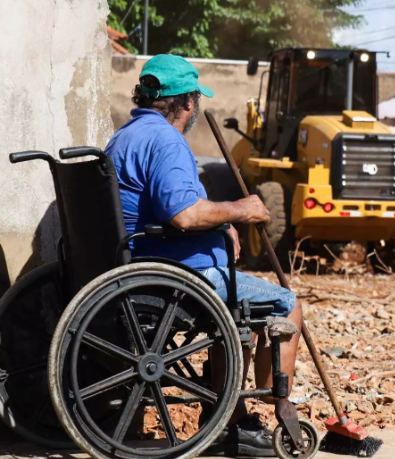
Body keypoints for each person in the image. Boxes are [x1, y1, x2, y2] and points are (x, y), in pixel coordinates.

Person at [105, 54, 303, 457]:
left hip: (141, 263)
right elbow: (184, 213)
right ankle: (256, 410)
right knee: (287, 305)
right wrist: (241, 210)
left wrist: (221, 224)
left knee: (235, 309)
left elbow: (170, 204)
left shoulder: (124, 135)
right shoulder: (166, 140)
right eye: (196, 100)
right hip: (177, 276)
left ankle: (226, 411)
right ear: (188, 103)